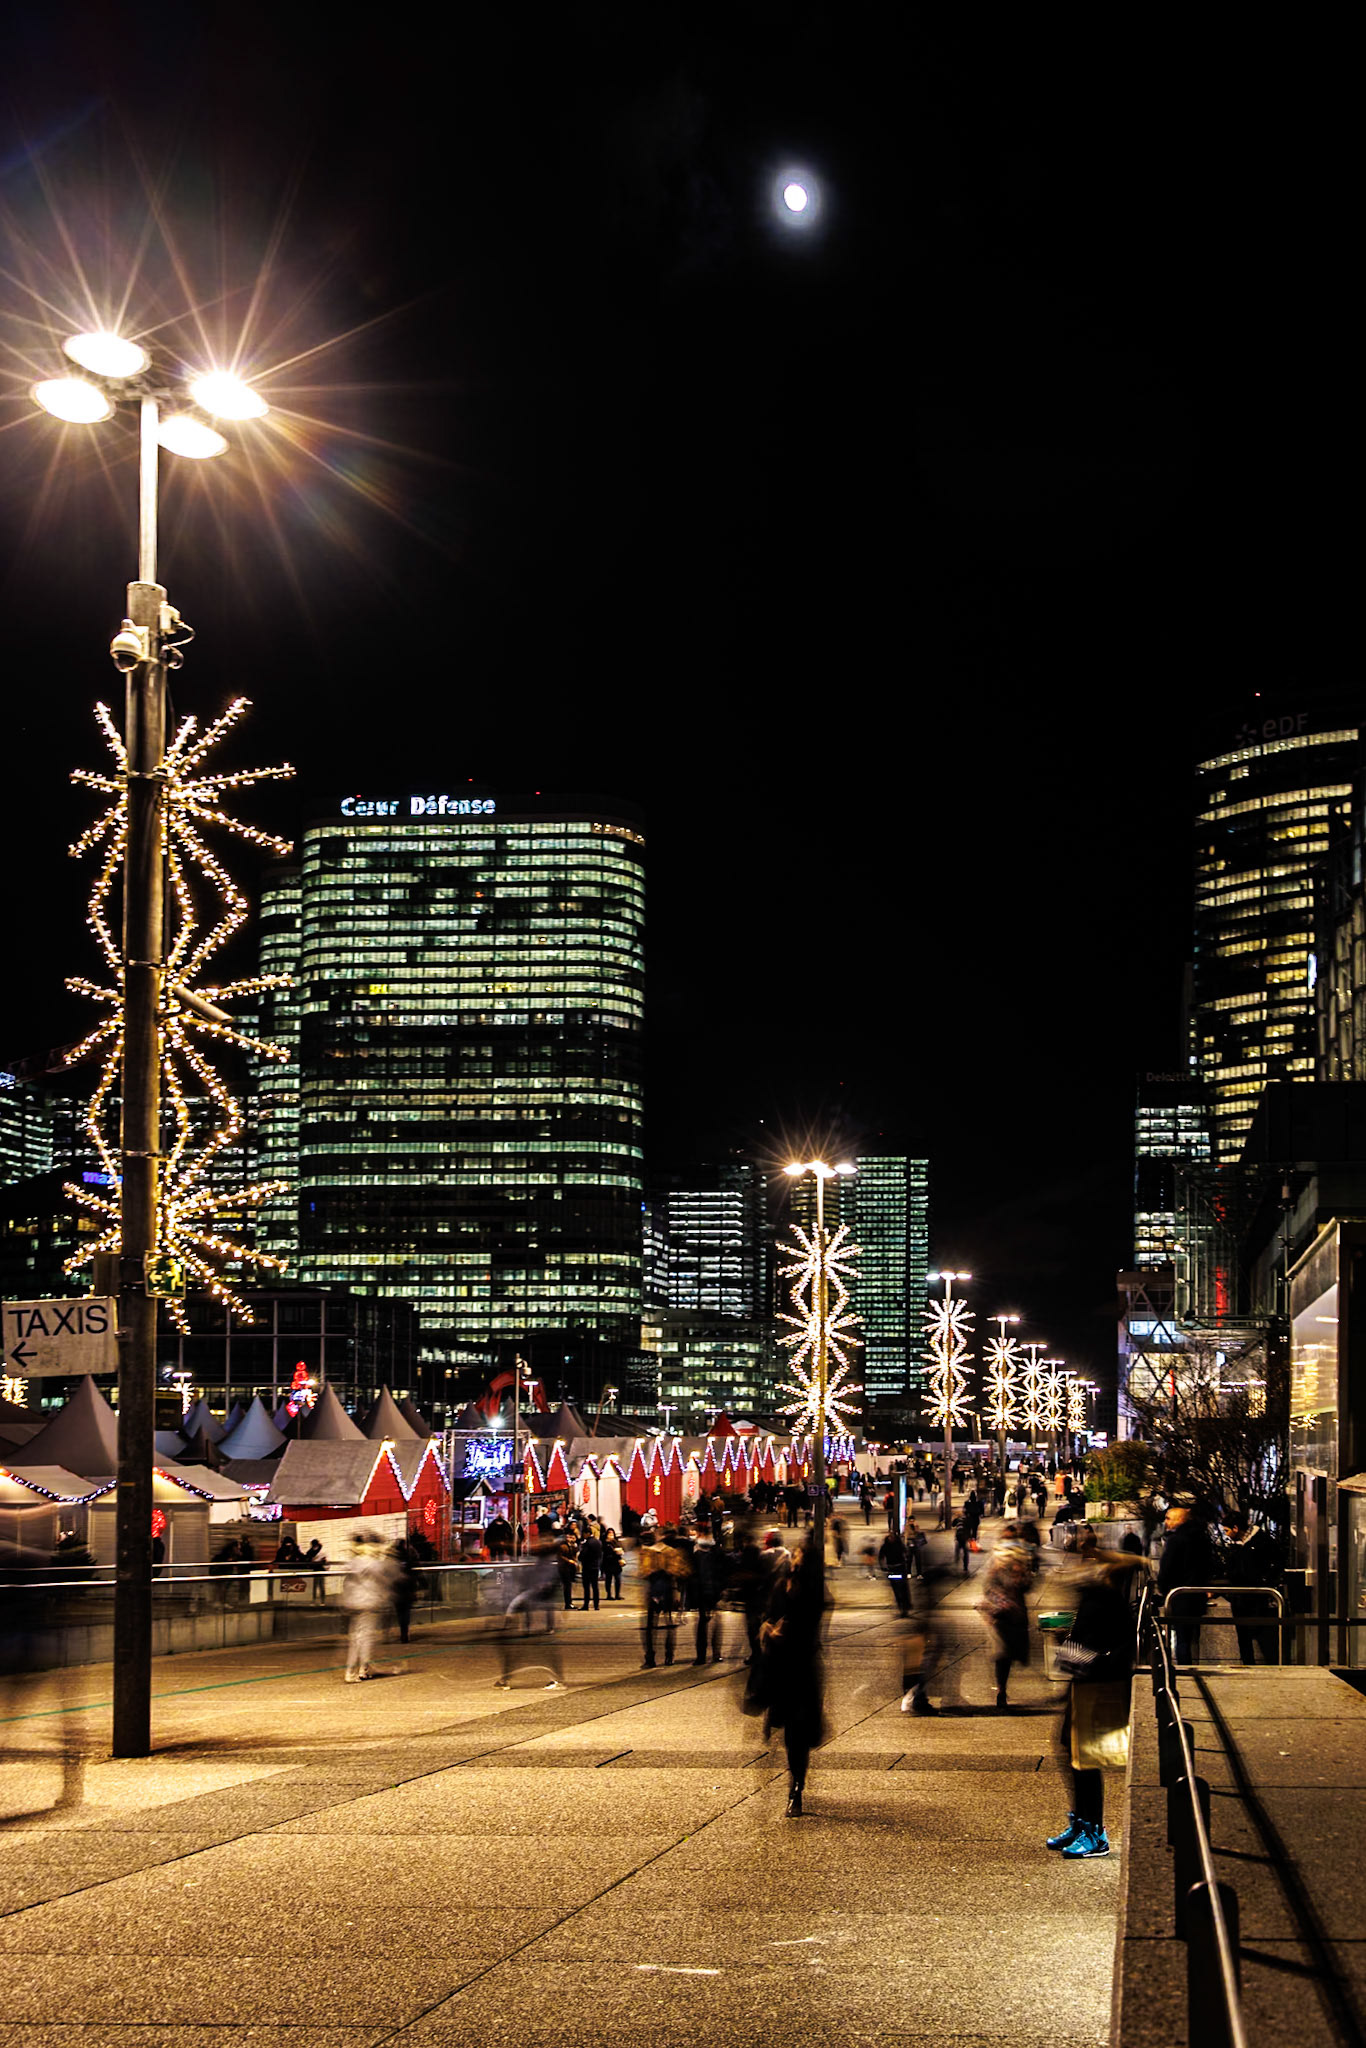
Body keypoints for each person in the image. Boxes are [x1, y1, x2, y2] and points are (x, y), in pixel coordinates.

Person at [1047, 1551, 1143, 1859]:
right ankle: (1081, 1822)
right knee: (1068, 1747)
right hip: (1087, 1682)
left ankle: (1094, 1832)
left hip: (1099, 1684)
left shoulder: (1107, 1597)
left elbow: (1119, 1644)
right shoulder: (1096, 1595)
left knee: (1085, 1757)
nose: (1075, 1569)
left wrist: (1082, 1654)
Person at [760, 1542, 827, 1817]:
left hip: (803, 1666)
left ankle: (796, 1787)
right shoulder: (780, 1584)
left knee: (799, 1730)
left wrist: (784, 1630)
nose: (793, 1558)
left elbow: (810, 1626)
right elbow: (767, 1616)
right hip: (781, 1666)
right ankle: (795, 1781)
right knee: (790, 1732)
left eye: (798, 1554)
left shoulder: (813, 1589)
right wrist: (767, 1627)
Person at [1157, 1505, 1216, 1664]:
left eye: (1169, 1518)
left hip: (1180, 1595)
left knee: (1182, 1638)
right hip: (1197, 1594)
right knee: (1193, 1636)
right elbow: (1209, 1564)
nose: (1166, 1522)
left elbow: (1167, 1568)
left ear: (1179, 1520)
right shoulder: (1202, 1538)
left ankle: (1185, 1669)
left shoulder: (1176, 1540)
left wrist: (1164, 1589)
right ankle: (1194, 1666)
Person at [978, 1534, 1032, 1709]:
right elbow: (988, 1589)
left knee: (1009, 1656)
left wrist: (1020, 1573)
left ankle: (1002, 1687)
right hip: (1000, 1620)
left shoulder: (1019, 1570)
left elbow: (1027, 1585)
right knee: (1003, 1656)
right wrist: (1002, 1602)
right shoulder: (995, 1570)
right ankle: (1001, 1688)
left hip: (1014, 1619)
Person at [1222, 1515, 1280, 1664]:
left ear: (1236, 1528)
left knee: (1261, 1633)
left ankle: (1269, 1663)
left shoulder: (1261, 1541)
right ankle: (1248, 1662)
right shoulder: (1236, 1544)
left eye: (1227, 1530)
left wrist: (1265, 1581)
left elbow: (1275, 1563)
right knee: (1243, 1634)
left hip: (1257, 1596)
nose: (1226, 1534)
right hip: (1240, 1596)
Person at [341, 1535, 399, 1682]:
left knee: (357, 1638)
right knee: (365, 1638)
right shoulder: (374, 1564)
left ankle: (355, 1669)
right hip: (369, 1603)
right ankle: (361, 1669)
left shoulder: (354, 1563)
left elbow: (348, 1583)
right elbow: (385, 1581)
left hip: (355, 1603)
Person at [639, 1527, 688, 1667]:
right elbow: (678, 1572)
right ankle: (662, 1656)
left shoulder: (658, 1553)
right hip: (661, 1589)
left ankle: (657, 1656)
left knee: (656, 1626)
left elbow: (644, 1572)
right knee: (663, 1624)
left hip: (661, 1590)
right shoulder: (664, 1552)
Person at [389, 1538, 417, 1644]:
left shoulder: (392, 1559)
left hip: (396, 1589)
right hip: (407, 1588)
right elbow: (414, 1572)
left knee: (400, 1611)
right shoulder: (409, 1557)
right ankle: (404, 1632)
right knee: (406, 1611)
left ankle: (402, 1631)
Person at [878, 1528, 912, 1616]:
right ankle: (901, 1605)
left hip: (900, 1568)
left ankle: (905, 1605)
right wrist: (883, 1567)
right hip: (892, 1569)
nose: (890, 1538)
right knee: (896, 1589)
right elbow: (881, 1557)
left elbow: (907, 1553)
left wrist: (906, 1560)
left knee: (903, 1588)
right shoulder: (885, 1546)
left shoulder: (899, 1545)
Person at [555, 1528, 580, 1612]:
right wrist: (569, 1561)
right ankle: (568, 1603)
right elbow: (560, 1556)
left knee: (569, 1586)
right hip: (564, 1568)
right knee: (567, 1586)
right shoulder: (562, 1546)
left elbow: (575, 1554)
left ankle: (569, 1602)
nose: (570, 1539)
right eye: (569, 1537)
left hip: (570, 1568)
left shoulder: (573, 1546)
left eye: (572, 1537)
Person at [578, 1528, 602, 1610]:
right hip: (595, 1566)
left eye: (584, 1533)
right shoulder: (598, 1542)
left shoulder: (588, 1543)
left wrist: (580, 1557)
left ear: (587, 1533)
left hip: (587, 1567)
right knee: (595, 1587)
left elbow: (583, 1555)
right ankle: (596, 1605)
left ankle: (586, 1605)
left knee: (587, 1587)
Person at [601, 1527, 625, 1601]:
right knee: (608, 1579)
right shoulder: (604, 1543)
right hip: (608, 1563)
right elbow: (604, 1553)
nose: (611, 1535)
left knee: (618, 1579)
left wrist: (620, 1551)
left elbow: (622, 1549)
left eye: (612, 1533)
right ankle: (609, 1595)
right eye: (609, 1533)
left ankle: (617, 1595)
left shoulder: (616, 1541)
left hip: (617, 1563)